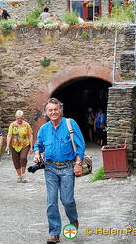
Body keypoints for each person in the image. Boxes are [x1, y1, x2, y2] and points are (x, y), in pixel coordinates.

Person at [33, 98, 85, 244]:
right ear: (46, 112)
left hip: (68, 167)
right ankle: (54, 232)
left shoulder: (70, 124)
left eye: (56, 109)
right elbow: (39, 145)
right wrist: (37, 154)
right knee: (51, 201)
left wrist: (78, 163)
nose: (53, 112)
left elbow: (80, 145)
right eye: (50, 110)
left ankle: (73, 219)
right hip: (50, 168)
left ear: (60, 110)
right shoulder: (44, 129)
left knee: (67, 200)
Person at [6, 110, 34, 183]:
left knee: (23, 158)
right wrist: (7, 146)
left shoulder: (26, 125)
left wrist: (31, 147)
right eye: (18, 118)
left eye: (21, 118)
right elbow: (9, 135)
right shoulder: (12, 125)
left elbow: (30, 135)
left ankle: (23, 174)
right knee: (16, 160)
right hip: (14, 145)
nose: (19, 120)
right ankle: (19, 175)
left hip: (25, 144)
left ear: (23, 117)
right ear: (15, 118)